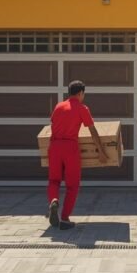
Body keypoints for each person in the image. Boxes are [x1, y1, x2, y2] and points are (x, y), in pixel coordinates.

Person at [47, 80, 108, 230]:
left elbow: (52, 125)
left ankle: (54, 200)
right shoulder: (82, 108)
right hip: (70, 148)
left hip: (54, 146)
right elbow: (92, 131)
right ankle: (65, 218)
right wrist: (101, 151)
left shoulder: (58, 106)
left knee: (54, 180)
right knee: (72, 185)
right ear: (80, 93)